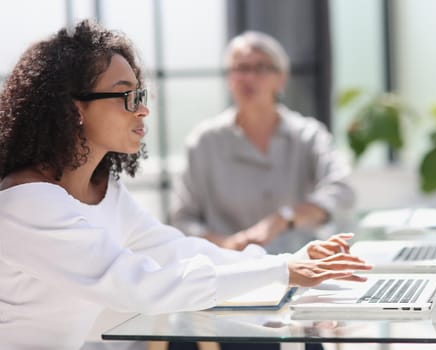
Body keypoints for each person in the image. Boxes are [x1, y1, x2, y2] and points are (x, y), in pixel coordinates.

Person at [0, 20, 372, 350]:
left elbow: (176, 250)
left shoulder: (104, 189)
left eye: (141, 95)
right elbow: (139, 285)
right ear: (75, 109)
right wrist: (281, 272)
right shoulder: (29, 203)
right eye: (126, 95)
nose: (142, 109)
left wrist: (286, 264)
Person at [169, 31, 355, 254]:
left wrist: (283, 219)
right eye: (240, 69)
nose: (249, 77)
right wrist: (226, 244)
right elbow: (182, 219)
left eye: (261, 68)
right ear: (229, 79)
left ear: (281, 78)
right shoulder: (203, 141)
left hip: (302, 266)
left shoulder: (308, 135)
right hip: (230, 270)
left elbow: (342, 189)